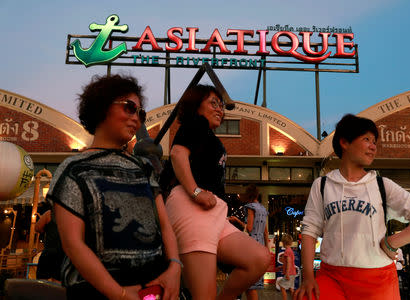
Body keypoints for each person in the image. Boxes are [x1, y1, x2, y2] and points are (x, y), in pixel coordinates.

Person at [48, 74, 181, 300]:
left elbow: (165, 225)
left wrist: (175, 267)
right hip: (95, 290)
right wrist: (117, 293)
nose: (136, 120)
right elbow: (73, 244)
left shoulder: (143, 167)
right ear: (101, 106)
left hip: (154, 286)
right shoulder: (73, 169)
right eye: (129, 108)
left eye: (140, 113)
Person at [295, 114, 410, 300]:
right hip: (332, 276)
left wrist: (392, 242)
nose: (373, 147)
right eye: (366, 139)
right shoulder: (322, 185)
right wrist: (307, 277)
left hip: (377, 280)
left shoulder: (382, 185)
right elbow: (309, 230)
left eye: (374, 142)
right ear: (345, 142)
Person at [160, 84, 271, 300]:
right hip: (193, 208)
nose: (220, 109)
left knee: (259, 258)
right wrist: (195, 191)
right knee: (204, 295)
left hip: (215, 214)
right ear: (195, 105)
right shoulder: (196, 123)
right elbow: (177, 154)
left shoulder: (208, 135)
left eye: (221, 105)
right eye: (213, 103)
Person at [228, 185, 269, 300]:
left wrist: (236, 220)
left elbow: (249, 228)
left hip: (251, 245)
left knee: (248, 282)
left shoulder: (251, 207)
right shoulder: (263, 209)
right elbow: (266, 232)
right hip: (260, 245)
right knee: (250, 283)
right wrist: (267, 249)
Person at [35, 209, 64, 282]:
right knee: (58, 282)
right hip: (64, 254)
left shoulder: (50, 213)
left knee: (41, 281)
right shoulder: (72, 215)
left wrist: (46, 230)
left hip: (49, 251)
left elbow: (37, 227)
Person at [278, 234, 296, 300]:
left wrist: (287, 273)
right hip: (293, 273)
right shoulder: (291, 251)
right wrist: (281, 267)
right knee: (291, 288)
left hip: (289, 273)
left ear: (283, 243)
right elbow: (289, 263)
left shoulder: (287, 252)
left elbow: (289, 263)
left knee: (282, 286)